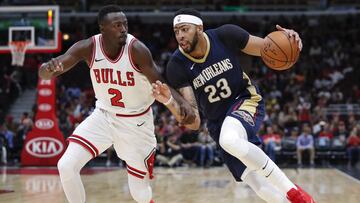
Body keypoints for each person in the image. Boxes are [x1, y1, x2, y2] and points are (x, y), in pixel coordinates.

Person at [152, 8, 315, 203]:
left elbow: (270, 47)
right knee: (256, 183)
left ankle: (294, 193)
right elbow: (194, 121)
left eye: (185, 29)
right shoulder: (176, 65)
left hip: (244, 99)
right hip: (216, 122)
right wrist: (169, 101)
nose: (180, 36)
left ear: (199, 28)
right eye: (176, 31)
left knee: (229, 139)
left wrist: (291, 40)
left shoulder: (226, 35)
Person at [39, 5, 195, 203]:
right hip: (103, 116)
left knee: (139, 193)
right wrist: (48, 68)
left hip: (136, 123)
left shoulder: (137, 50)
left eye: (125, 24)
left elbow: (160, 81)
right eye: (117, 25)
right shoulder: (88, 47)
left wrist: (182, 103)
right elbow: (49, 71)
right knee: (66, 165)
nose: (123, 29)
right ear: (102, 28)